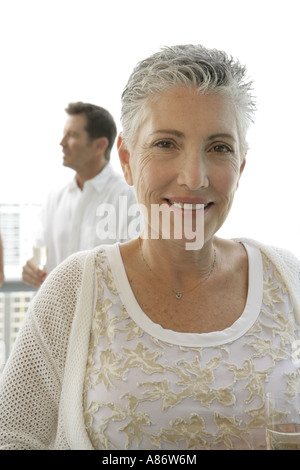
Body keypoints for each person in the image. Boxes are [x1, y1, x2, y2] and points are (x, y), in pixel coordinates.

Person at [0, 44, 299, 450]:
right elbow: (11, 438)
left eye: (220, 147)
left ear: (240, 167)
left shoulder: (287, 277)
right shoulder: (74, 289)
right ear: (125, 159)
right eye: (166, 143)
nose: (194, 177)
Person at [22, 102, 139, 287]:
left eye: (72, 135)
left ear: (100, 145)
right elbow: (40, 259)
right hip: (57, 314)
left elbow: (135, 270)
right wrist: (32, 270)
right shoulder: (55, 198)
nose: (62, 143)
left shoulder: (128, 197)